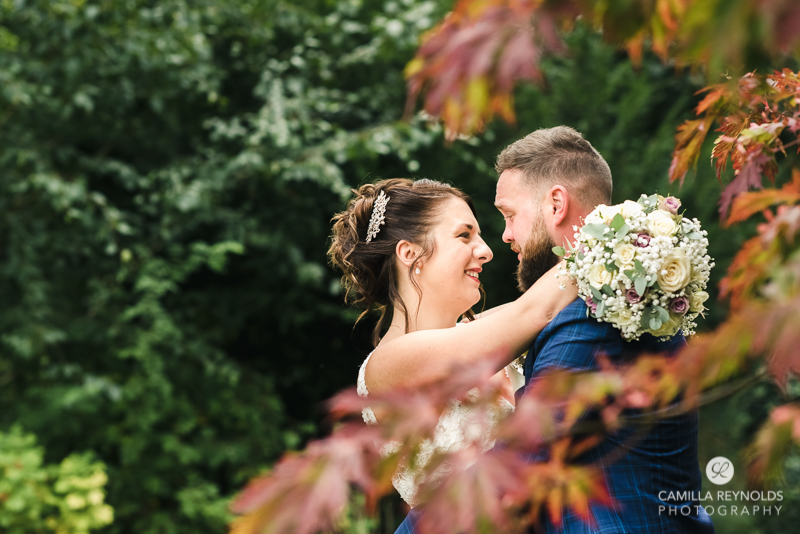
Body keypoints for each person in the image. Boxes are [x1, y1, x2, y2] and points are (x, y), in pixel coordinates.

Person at [493, 126, 716, 533]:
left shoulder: (596, 313)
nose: (506, 235)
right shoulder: (626, 297)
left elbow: (513, 468)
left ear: (556, 204)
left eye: (509, 215)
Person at [328, 177, 577, 506]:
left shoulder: (481, 331)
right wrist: (615, 237)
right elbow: (536, 310)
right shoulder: (390, 363)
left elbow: (540, 305)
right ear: (410, 254)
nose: (486, 251)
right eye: (464, 235)